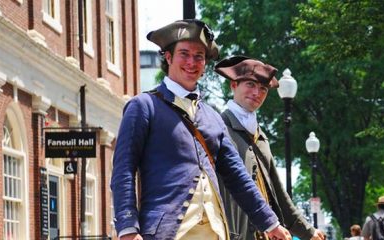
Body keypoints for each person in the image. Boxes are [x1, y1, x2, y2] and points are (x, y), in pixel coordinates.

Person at [110, 19, 292, 240]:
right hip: (167, 232)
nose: (191, 62)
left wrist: (270, 222)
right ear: (168, 57)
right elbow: (123, 171)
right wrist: (128, 227)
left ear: (205, 64)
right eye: (184, 54)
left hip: (214, 232)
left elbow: (238, 177)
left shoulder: (213, 117)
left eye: (199, 56)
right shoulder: (144, 106)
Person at [214, 55, 327, 240]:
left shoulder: (261, 137)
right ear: (233, 85)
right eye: (250, 84)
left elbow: (278, 193)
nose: (256, 93)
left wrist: (309, 231)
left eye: (263, 89)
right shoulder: (217, 127)